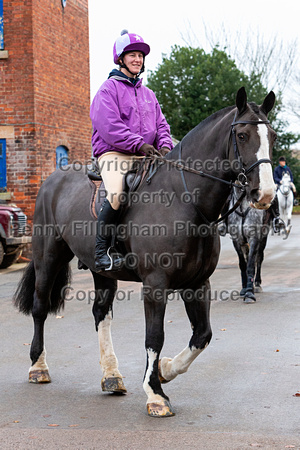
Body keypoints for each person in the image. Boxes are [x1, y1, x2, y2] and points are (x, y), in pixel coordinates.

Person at [90, 30, 173, 272]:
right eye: (132, 55)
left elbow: (161, 125)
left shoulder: (149, 94)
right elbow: (109, 127)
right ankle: (101, 251)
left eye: (140, 56)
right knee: (117, 194)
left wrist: (165, 144)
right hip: (114, 153)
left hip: (146, 153)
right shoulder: (108, 89)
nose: (137, 59)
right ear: (121, 59)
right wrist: (139, 144)